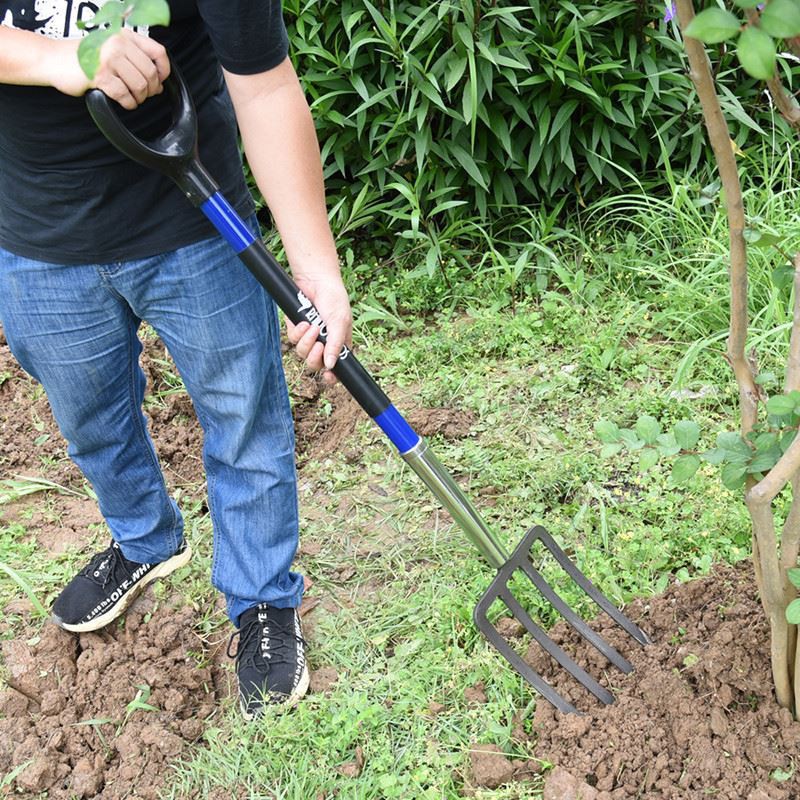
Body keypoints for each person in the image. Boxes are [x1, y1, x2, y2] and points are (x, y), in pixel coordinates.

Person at [0, 1, 352, 720]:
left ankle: (261, 600)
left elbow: (264, 85)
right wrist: (59, 59)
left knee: (242, 416)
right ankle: (143, 540)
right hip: (36, 235)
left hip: (196, 220)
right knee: (90, 421)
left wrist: (315, 264)